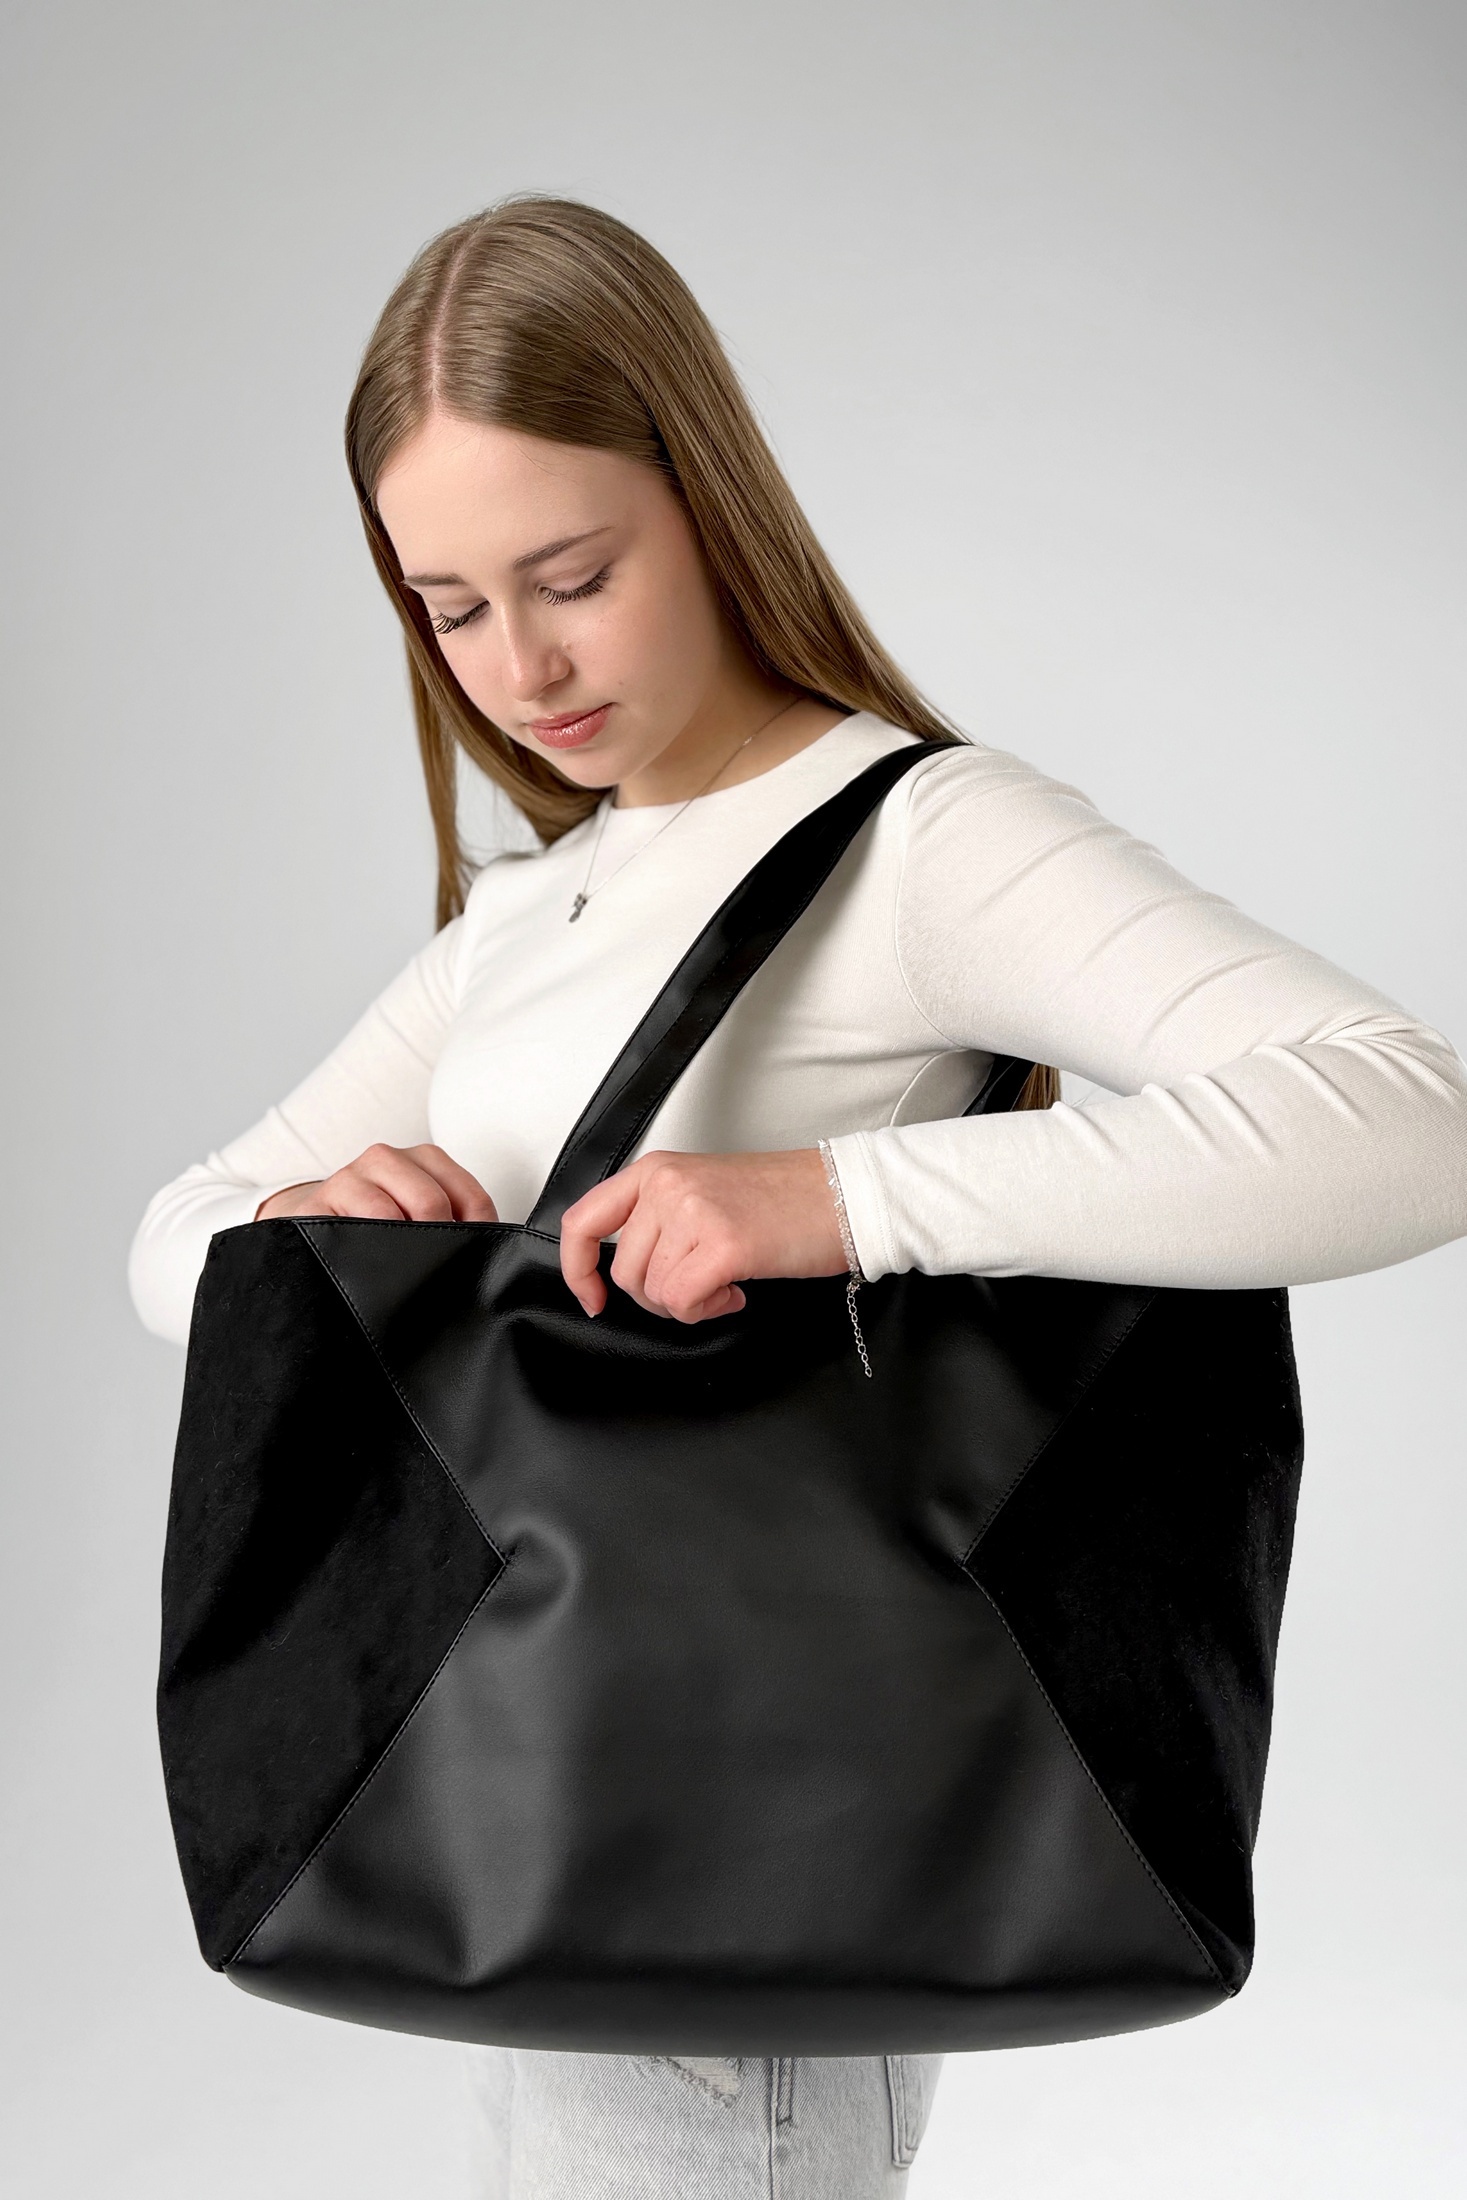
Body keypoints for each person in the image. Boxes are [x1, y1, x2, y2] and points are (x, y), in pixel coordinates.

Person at [129, 197, 1467, 2199]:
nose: (522, 665)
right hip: (524, 1860)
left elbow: (1413, 1122)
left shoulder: (914, 843)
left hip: (745, 1896)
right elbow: (171, 1246)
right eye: (451, 606)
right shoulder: (530, 913)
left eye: (572, 575)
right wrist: (307, 1219)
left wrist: (840, 1200)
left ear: (709, 496)